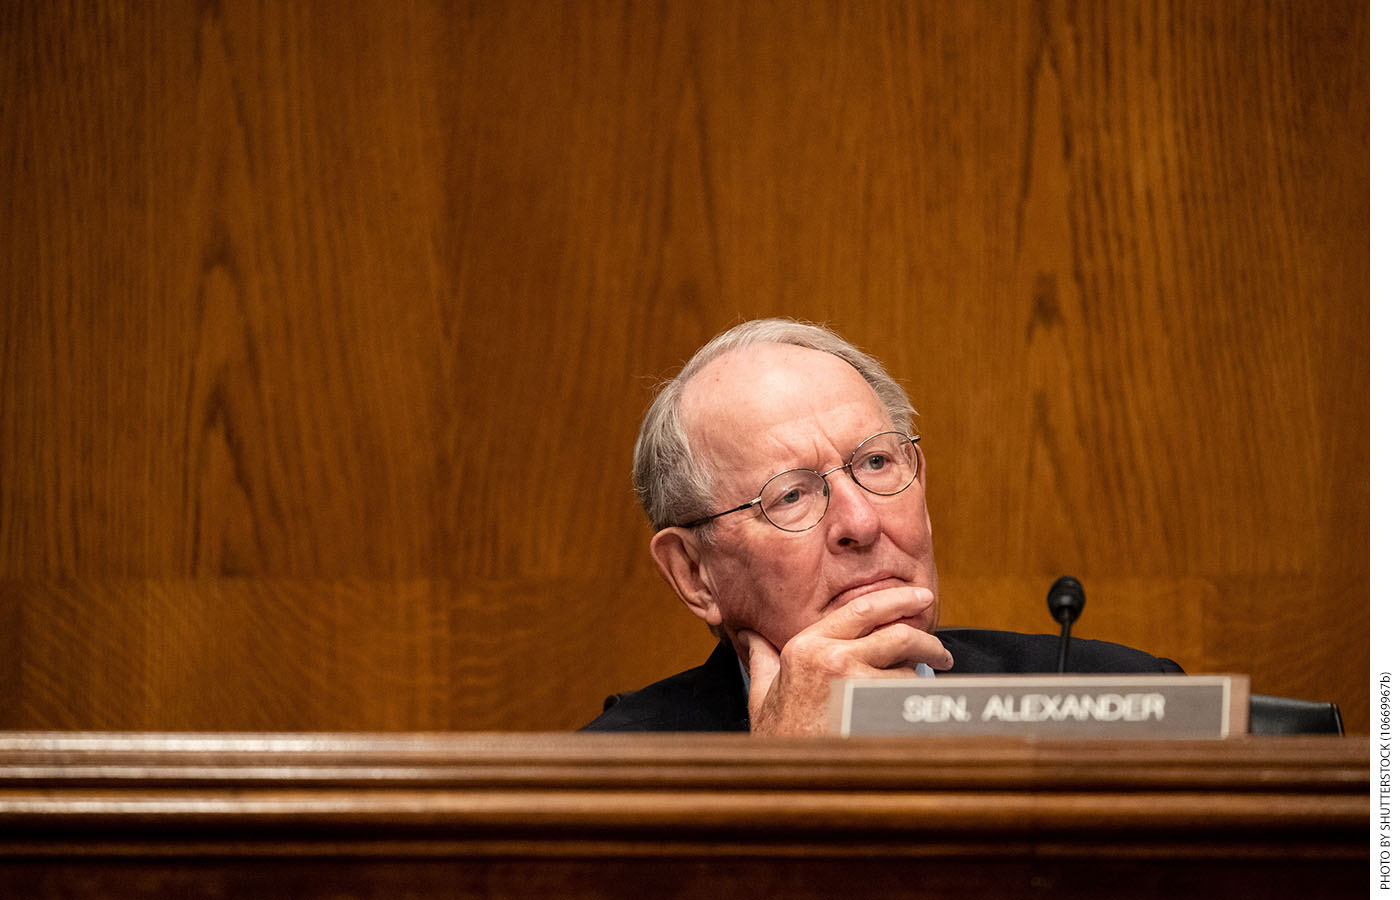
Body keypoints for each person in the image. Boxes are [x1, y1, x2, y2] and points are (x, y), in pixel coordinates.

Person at [583, 319, 1181, 734]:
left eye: (876, 463)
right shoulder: (606, 786)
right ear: (694, 575)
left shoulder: (1127, 700)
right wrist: (776, 799)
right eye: (790, 495)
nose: (861, 522)